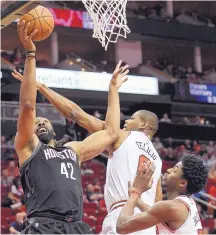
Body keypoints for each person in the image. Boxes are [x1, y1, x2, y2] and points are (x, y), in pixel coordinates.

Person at [12, 54, 162, 235]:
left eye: (131, 118)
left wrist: (113, 89)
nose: (126, 122)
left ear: (143, 124)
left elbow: (76, 114)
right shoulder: (158, 159)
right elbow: (158, 201)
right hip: (147, 223)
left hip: (123, 214)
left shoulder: (122, 136)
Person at [15, 20, 128, 234]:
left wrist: (113, 89)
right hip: (43, 224)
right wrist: (31, 53)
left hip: (77, 225)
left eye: (45, 121)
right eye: (37, 122)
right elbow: (29, 106)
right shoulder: (29, 148)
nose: (40, 122)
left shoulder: (73, 150)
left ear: (55, 130)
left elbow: (112, 133)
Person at [116, 155, 209, 235]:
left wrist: (135, 193)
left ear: (183, 183)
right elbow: (158, 213)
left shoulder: (173, 208)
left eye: (174, 170)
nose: (168, 170)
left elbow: (121, 227)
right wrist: (138, 201)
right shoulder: (188, 204)